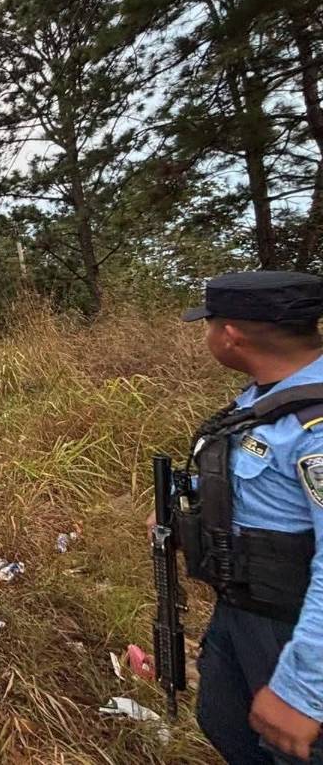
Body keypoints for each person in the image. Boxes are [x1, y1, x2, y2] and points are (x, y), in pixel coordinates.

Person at [170, 271, 323, 763]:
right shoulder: (260, 399)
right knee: (222, 718)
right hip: (243, 605)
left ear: (230, 333)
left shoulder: (314, 427)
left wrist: (302, 690)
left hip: (294, 625)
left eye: (209, 324)